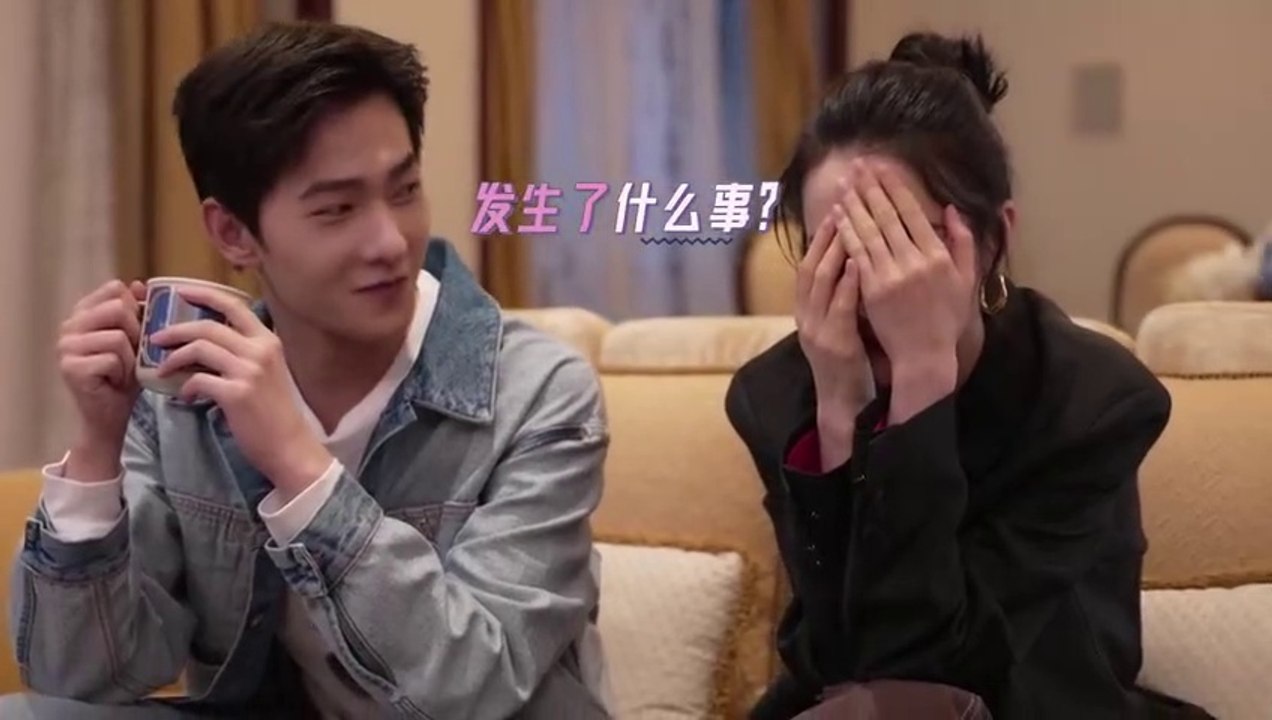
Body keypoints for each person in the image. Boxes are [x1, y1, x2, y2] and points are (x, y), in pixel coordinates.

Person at [3, 21, 611, 720]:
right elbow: (83, 681)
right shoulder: (181, 395)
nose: (389, 242)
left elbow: (475, 686)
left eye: (405, 190)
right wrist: (96, 450)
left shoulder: (538, 394)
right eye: (337, 209)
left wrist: (300, 468)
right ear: (233, 233)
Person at [725, 32, 1214, 720]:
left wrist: (923, 377)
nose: (876, 285)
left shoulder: (1092, 401)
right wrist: (838, 414)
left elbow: (933, 670)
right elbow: (833, 657)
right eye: (836, 248)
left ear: (995, 240)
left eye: (904, 241)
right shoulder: (776, 396)